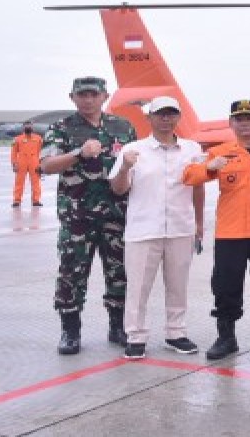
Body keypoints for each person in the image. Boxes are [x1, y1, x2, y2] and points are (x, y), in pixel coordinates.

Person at [184, 99, 250, 361]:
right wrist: (209, 168)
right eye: (239, 119)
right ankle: (226, 337)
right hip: (229, 233)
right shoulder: (220, 152)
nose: (245, 124)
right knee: (225, 287)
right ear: (231, 123)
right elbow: (189, 175)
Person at [40, 76, 137, 355]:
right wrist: (78, 153)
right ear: (72, 97)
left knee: (120, 271)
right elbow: (47, 165)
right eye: (82, 95)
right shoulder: (61, 128)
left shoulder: (123, 127)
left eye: (94, 94)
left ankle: (118, 326)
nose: (88, 99)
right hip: (77, 216)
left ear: (104, 96)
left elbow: (134, 166)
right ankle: (70, 331)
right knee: (72, 272)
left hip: (117, 214)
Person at [108, 96, 205, 360]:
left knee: (178, 285)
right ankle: (136, 336)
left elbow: (198, 187)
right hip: (143, 228)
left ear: (178, 117)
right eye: (160, 114)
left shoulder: (192, 149)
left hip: (180, 227)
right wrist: (125, 167)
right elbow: (118, 189)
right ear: (149, 117)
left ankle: (176, 332)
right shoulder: (133, 150)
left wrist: (198, 222)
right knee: (138, 287)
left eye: (171, 114)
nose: (166, 119)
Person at [11, 120, 44, 208]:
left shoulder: (38, 138)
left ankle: (36, 200)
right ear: (23, 127)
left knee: (36, 182)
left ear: (32, 127)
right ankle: (16, 200)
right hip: (21, 162)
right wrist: (14, 163)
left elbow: (42, 151)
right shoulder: (17, 139)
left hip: (34, 161)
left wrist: (42, 163)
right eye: (26, 126)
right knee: (19, 182)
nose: (28, 127)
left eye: (30, 125)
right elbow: (14, 153)